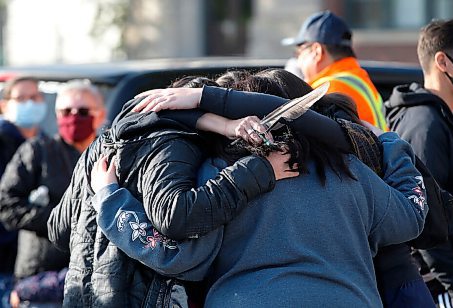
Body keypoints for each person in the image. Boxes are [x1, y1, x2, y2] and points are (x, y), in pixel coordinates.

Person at [90, 79, 428, 306]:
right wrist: (391, 143)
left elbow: (179, 256)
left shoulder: (219, 175)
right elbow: (411, 216)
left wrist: (110, 200)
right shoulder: (350, 172)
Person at [47, 75, 355, 306]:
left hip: (81, 297)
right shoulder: (175, 142)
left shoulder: (101, 147)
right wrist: (260, 170)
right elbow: (177, 216)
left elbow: (59, 229)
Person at [384, 19, 453, 307]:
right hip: (442, 290)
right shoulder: (425, 125)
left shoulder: (442, 118)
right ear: (442, 62)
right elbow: (423, 215)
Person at [0, 79, 106, 307]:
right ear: (57, 115)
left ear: (100, 115)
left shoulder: (109, 155)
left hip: (96, 279)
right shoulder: (36, 151)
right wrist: (60, 219)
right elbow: (6, 205)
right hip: (39, 282)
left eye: (83, 111)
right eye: (67, 111)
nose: (74, 116)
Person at [282, 10, 388, 131]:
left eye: (298, 52)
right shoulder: (359, 80)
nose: (298, 60)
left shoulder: (326, 90)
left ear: (317, 51)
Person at [0, 76, 47, 306]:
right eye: (21, 98)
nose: (29, 104)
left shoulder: (47, 143)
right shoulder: (3, 143)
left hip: (37, 265)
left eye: (34, 97)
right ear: (4, 104)